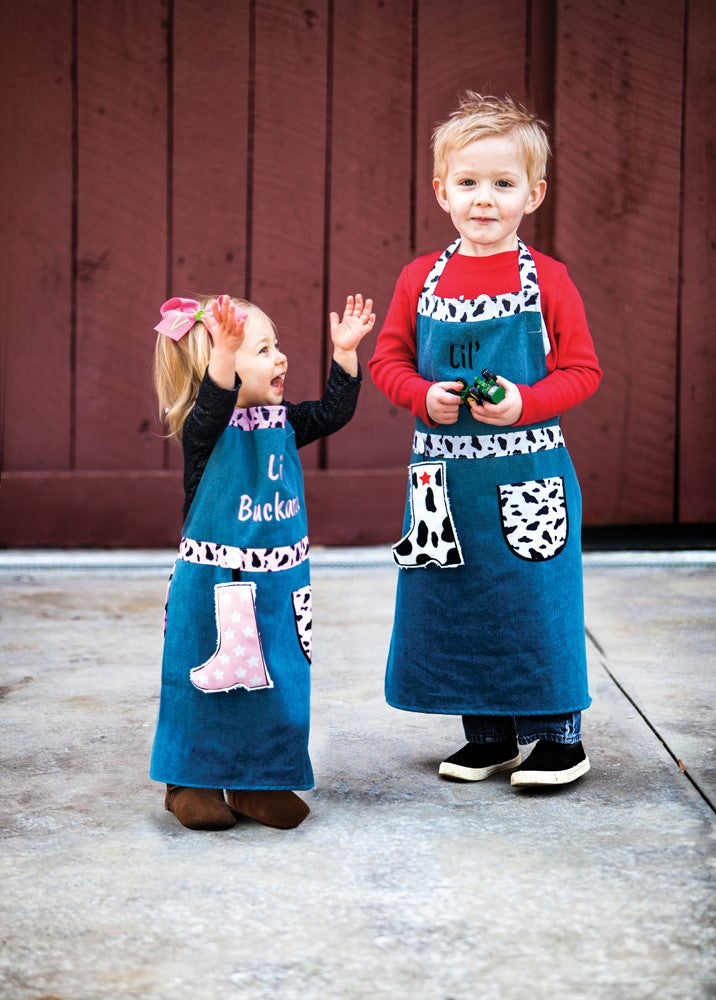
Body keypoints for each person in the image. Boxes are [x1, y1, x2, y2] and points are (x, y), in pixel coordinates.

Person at [369, 92, 602, 789]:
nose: (484, 200)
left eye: (503, 184)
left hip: (528, 474)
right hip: (445, 483)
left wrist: (526, 402)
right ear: (442, 190)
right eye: (468, 183)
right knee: (459, 600)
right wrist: (420, 394)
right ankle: (489, 736)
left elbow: (582, 371)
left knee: (535, 598)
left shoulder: (549, 281)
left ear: (533, 193)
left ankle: (560, 738)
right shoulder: (419, 278)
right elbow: (388, 360)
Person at [150, 291, 375, 830]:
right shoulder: (202, 431)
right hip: (212, 588)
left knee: (278, 681)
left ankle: (261, 782)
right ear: (219, 366)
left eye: (279, 347)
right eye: (263, 350)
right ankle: (190, 781)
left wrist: (344, 355)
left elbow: (333, 412)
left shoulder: (284, 422)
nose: (281, 359)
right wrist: (224, 358)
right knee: (201, 684)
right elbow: (214, 403)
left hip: (277, 584)